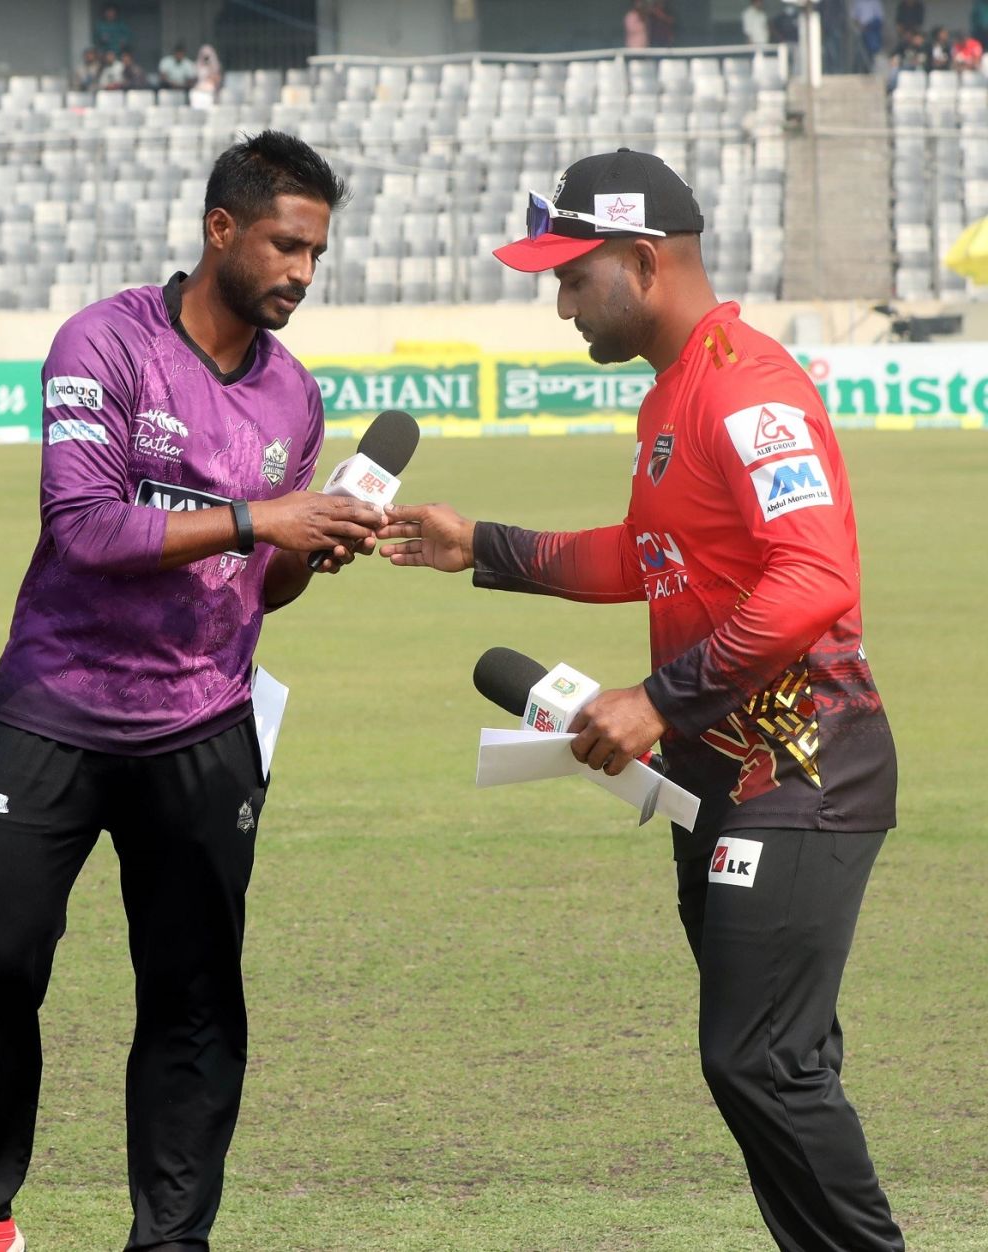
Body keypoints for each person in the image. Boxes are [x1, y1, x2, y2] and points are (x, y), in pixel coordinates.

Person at [377, 148, 904, 1252]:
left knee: (757, 1057)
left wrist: (659, 700)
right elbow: (648, 555)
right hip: (720, 771)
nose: (560, 303)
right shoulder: (671, 394)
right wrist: (483, 545)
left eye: (573, 278)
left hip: (803, 765)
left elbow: (816, 577)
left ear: (645, 261)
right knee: (777, 1060)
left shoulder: (751, 388)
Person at [0, 130, 383, 1252]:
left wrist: (304, 550)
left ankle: (170, 1237)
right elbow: (81, 527)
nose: (300, 275)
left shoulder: (294, 400)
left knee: (191, 997)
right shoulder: (105, 342)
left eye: (317, 254)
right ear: (221, 229)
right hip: (51, 709)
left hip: (204, 728)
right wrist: (262, 516)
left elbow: (259, 586)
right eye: (285, 245)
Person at [852, 0, 886, 67]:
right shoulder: (858, 2)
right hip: (861, 31)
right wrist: (861, 27)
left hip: (873, 30)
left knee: (873, 40)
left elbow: (880, 19)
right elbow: (854, 18)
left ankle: (874, 63)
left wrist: (869, 26)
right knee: (862, 48)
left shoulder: (875, 2)